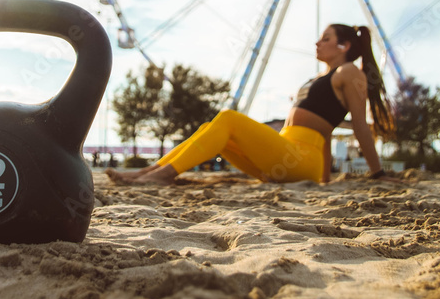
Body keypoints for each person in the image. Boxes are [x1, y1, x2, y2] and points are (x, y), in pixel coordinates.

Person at [107, 24, 397, 185]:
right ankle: (148, 171)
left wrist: (378, 173)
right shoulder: (319, 78)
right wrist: (323, 180)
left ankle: (163, 175)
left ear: (344, 46)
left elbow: (359, 124)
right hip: (282, 154)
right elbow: (325, 129)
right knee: (215, 130)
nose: (317, 43)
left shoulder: (350, 73)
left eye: (326, 38)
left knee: (228, 118)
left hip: (298, 158)